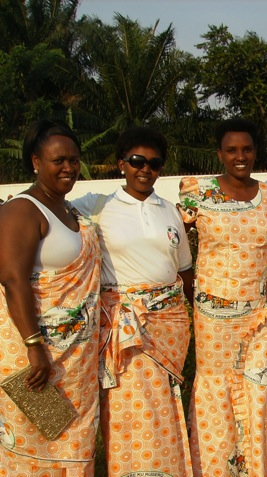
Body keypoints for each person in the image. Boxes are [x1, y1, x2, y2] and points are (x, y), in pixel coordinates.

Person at [72, 126, 194, 476]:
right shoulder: (96, 206)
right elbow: (44, 210)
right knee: (131, 404)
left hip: (169, 325)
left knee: (166, 401)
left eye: (154, 163)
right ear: (122, 163)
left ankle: (167, 467)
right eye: (138, 161)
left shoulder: (169, 211)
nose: (146, 169)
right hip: (126, 326)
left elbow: (184, 271)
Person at [180, 118, 267, 476]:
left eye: (246, 149)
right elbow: (169, 236)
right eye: (231, 150)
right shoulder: (196, 192)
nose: (240, 156)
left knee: (257, 384)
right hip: (212, 318)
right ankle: (216, 466)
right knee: (216, 390)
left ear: (256, 152)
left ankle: (258, 466)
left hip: (258, 315)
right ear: (220, 154)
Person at [0, 120, 101, 475]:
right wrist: (34, 346)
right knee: (36, 448)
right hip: (38, 359)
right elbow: (13, 280)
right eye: (58, 160)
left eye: (74, 160)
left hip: (76, 361)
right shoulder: (23, 210)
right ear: (35, 162)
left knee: (72, 447)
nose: (69, 168)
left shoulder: (69, 209)